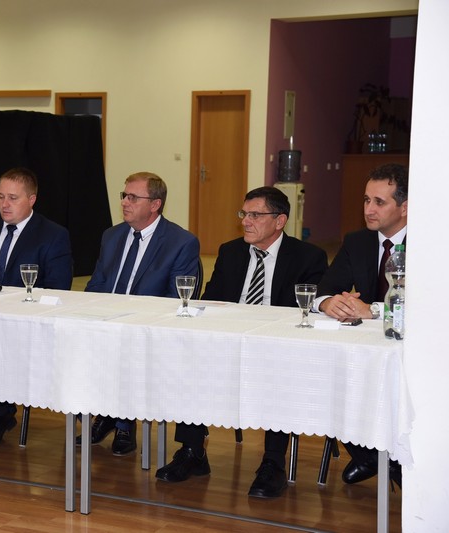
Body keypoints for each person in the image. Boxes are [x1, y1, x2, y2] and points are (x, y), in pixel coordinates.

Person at [155, 186, 327, 498]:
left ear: (279, 221)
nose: (245, 221)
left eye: (255, 215)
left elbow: (307, 312)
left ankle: (273, 462)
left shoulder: (308, 257)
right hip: (230, 343)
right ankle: (192, 451)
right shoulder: (231, 251)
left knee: (280, 369)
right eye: (244, 214)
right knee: (191, 359)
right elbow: (212, 301)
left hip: (278, 346)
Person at [81, 171, 200, 455]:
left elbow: (176, 300)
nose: (125, 202)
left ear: (155, 204)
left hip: (147, 327)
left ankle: (123, 424)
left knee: (125, 347)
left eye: (133, 197)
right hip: (106, 321)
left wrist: (132, 322)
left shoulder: (180, 242)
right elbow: (96, 284)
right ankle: (106, 414)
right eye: (124, 195)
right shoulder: (112, 235)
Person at [0, 167, 73, 447]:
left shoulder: (52, 235)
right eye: (0, 197)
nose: (4, 204)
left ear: (31, 200)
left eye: (13, 198)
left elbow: (57, 287)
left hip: (21, 318)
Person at [315, 163, 407, 488]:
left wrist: (373, 310)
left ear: (405, 207)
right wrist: (328, 303)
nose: (369, 209)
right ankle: (370, 455)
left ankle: (395, 457)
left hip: (412, 351)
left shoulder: (432, 243)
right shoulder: (357, 241)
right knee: (325, 371)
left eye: (379, 202)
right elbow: (324, 289)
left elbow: (427, 307)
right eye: (366, 200)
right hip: (365, 349)